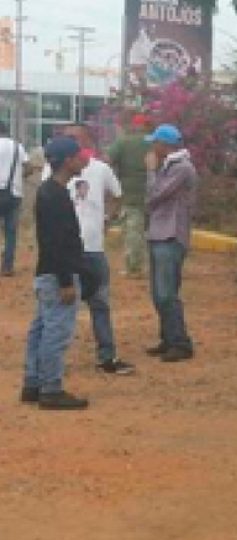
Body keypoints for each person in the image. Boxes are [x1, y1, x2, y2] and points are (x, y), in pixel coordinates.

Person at [46, 124, 136, 375]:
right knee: (58, 306)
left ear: (87, 140)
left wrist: (108, 219)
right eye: (67, 137)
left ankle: (106, 356)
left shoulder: (100, 169)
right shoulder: (52, 171)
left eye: (76, 137)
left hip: (93, 248)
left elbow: (117, 195)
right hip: (65, 250)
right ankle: (51, 364)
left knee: (100, 303)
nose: (71, 140)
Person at [21, 137, 90, 410]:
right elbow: (56, 241)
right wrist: (65, 280)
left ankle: (33, 383)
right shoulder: (55, 196)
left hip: (47, 272)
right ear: (66, 161)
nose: (82, 159)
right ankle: (51, 389)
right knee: (55, 333)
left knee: (41, 329)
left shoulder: (50, 192)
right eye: (77, 155)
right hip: (57, 274)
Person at [144, 124, 197, 363]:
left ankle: (180, 342)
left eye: (155, 142)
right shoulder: (171, 166)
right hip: (160, 233)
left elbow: (155, 195)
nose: (152, 147)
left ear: (165, 145)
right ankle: (168, 338)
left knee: (166, 293)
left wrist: (151, 172)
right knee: (159, 293)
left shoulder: (181, 168)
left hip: (171, 234)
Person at [107, 114, 152, 278]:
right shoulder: (154, 144)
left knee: (133, 232)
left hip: (130, 194)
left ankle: (134, 268)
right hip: (156, 194)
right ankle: (151, 267)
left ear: (133, 126)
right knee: (150, 233)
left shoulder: (124, 142)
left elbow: (108, 160)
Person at [0, 121, 33, 277]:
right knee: (11, 232)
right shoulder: (17, 147)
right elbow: (29, 167)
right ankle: (7, 266)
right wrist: (19, 176)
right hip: (13, 193)